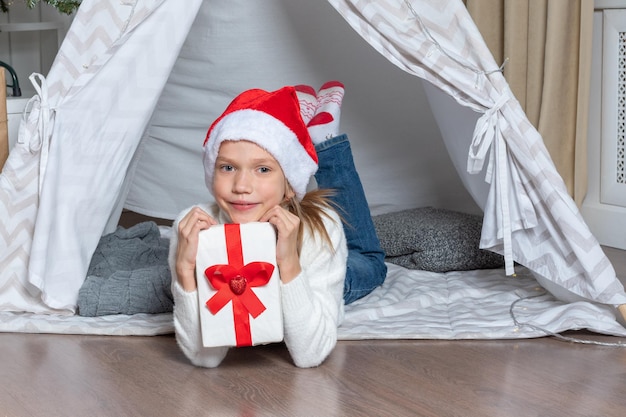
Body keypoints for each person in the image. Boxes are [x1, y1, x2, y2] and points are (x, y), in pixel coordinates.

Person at [168, 82, 386, 368]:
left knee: (369, 262)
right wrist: (184, 272)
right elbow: (204, 356)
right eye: (228, 167)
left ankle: (326, 139)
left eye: (263, 169)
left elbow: (310, 354)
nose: (242, 186)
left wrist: (290, 263)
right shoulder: (191, 228)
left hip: (311, 276)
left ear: (289, 186)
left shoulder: (320, 232)